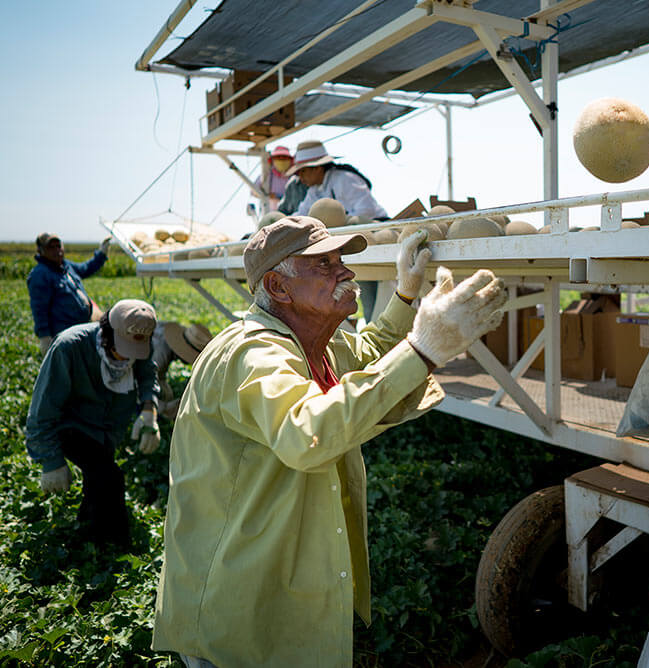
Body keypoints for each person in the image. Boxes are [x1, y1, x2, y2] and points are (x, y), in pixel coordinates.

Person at [152, 216, 506, 666]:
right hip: (235, 606)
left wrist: (405, 293)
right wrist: (423, 349)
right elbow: (306, 433)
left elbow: (370, 352)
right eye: (324, 265)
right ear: (279, 288)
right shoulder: (251, 355)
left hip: (274, 585)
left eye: (341, 260)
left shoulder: (317, 341)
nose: (346, 273)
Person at [24, 299, 160, 549]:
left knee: (98, 479)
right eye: (123, 348)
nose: (129, 357)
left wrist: (149, 409)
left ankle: (85, 535)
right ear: (107, 333)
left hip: (109, 427)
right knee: (111, 477)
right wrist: (51, 461)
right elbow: (42, 410)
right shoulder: (69, 347)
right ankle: (114, 547)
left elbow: (146, 372)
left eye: (136, 350)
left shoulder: (139, 342)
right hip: (71, 424)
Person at [28, 233, 112, 355]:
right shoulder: (40, 274)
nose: (57, 251)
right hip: (66, 335)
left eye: (59, 246)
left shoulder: (65, 265)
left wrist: (101, 253)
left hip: (84, 326)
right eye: (51, 248)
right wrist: (44, 337)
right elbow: (39, 309)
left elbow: (86, 268)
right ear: (40, 251)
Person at [278, 140, 389, 220]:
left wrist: (338, 223)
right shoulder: (314, 190)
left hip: (375, 227)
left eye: (302, 172)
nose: (300, 178)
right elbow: (303, 214)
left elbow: (367, 210)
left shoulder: (344, 179)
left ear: (317, 168)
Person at [150, 321, 213, 418]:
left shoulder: (166, 335)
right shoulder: (159, 354)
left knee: (166, 393)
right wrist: (165, 408)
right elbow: (140, 382)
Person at [254, 145, 293, 212]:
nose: (281, 159)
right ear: (272, 160)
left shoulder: (295, 175)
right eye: (278, 157)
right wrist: (267, 195)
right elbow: (254, 190)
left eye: (284, 157)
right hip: (271, 213)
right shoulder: (267, 175)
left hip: (292, 213)